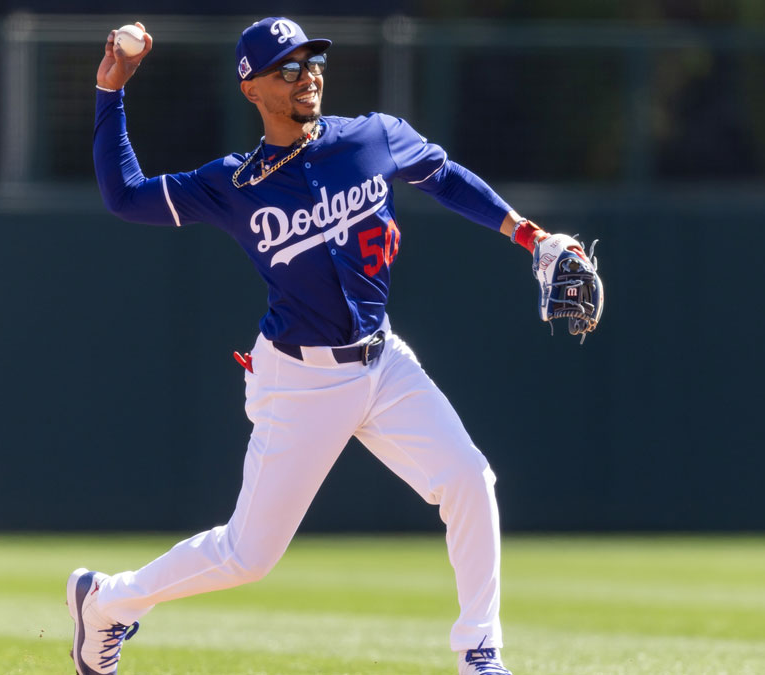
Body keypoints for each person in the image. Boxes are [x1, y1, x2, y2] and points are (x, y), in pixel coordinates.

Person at [69, 16, 580, 675]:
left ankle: (479, 653)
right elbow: (126, 197)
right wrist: (111, 89)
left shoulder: (371, 136)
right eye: (287, 66)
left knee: (469, 478)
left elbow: (444, 174)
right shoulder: (235, 183)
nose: (306, 73)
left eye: (312, 60)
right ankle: (107, 601)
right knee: (246, 555)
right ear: (252, 87)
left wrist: (531, 236)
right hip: (299, 380)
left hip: (383, 358)